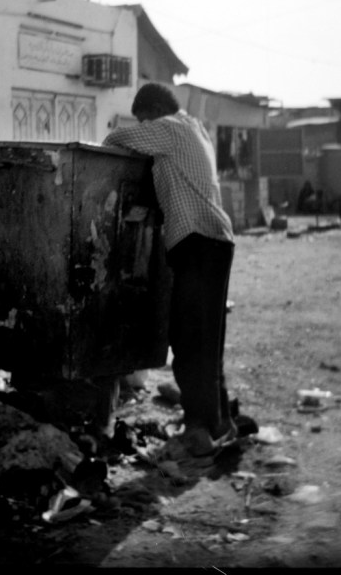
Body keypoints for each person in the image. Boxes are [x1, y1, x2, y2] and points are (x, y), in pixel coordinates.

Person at [103, 82, 237, 457]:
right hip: (212, 241)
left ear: (156, 111)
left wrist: (136, 132)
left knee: (190, 337)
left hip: (199, 242)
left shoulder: (171, 128)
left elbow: (117, 136)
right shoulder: (194, 128)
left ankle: (199, 428)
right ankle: (218, 421)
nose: (144, 126)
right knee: (206, 339)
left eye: (145, 118)